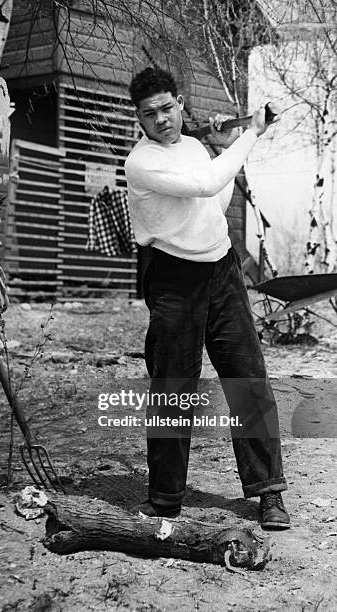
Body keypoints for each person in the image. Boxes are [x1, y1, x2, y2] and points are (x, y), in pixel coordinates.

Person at [124, 66, 290, 529]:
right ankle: (165, 498)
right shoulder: (140, 163)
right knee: (173, 389)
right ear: (138, 117)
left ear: (180, 103)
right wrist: (250, 134)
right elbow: (205, 184)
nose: (160, 119)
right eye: (149, 113)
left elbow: (213, 202)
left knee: (247, 379)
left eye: (167, 108)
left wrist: (217, 146)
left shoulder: (195, 147)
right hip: (173, 280)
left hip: (222, 270)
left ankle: (268, 492)